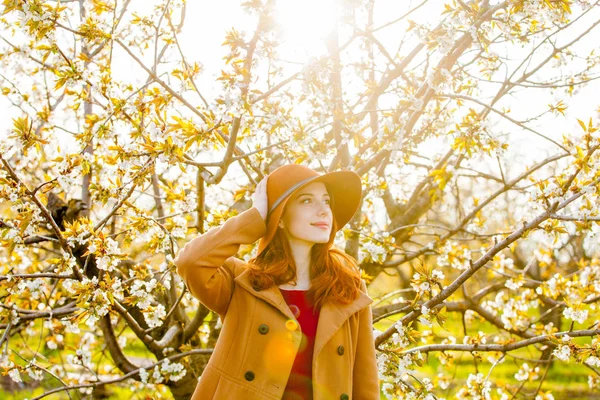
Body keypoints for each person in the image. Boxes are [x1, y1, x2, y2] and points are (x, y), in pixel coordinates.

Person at [174, 164, 380, 400]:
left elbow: (365, 381)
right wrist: (254, 219)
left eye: (326, 201)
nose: (324, 210)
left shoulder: (348, 288)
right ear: (279, 218)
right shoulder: (242, 282)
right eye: (306, 201)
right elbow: (190, 262)